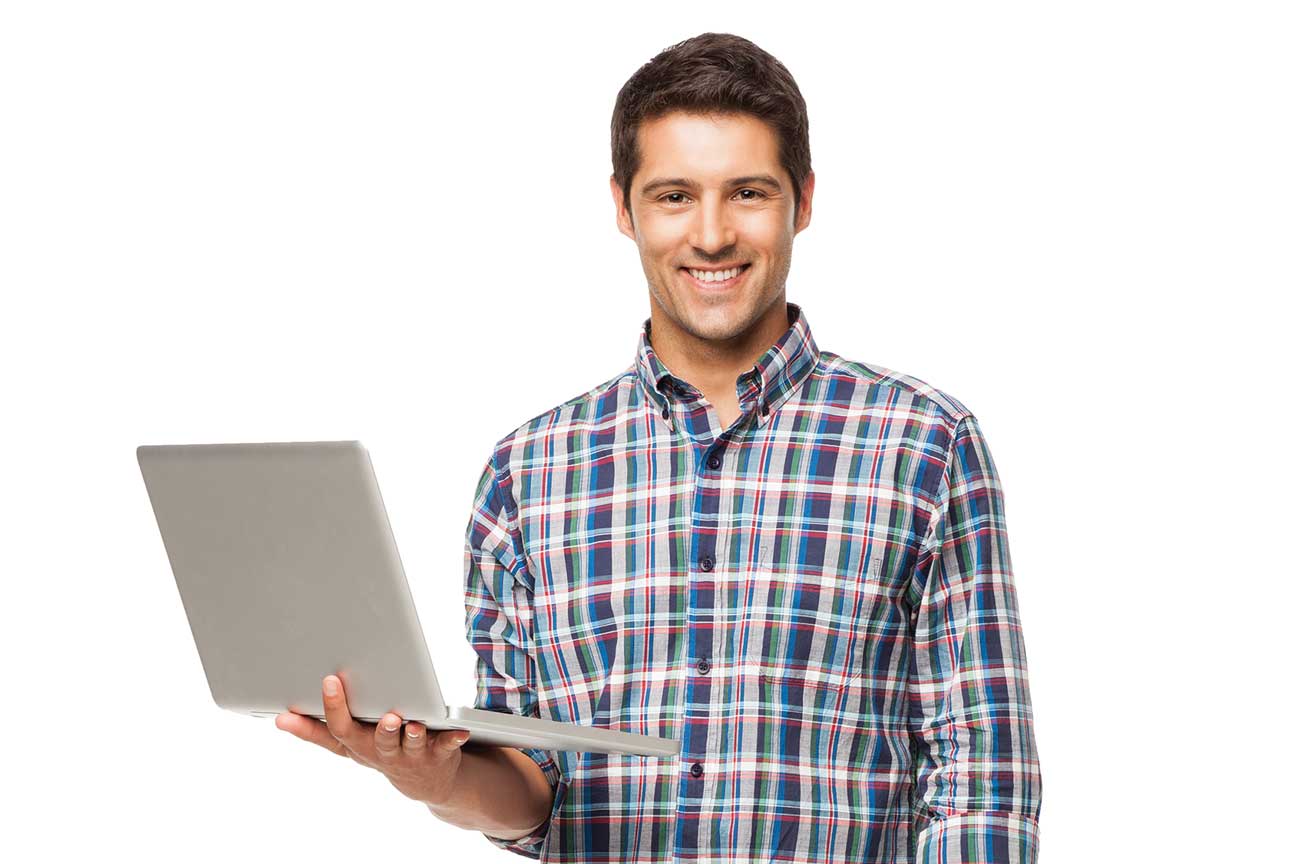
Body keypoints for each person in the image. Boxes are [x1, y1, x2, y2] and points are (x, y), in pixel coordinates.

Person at [277, 31, 1043, 864]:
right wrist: (433, 780)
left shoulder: (922, 444)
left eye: (747, 192)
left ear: (804, 200)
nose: (710, 236)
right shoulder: (527, 475)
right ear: (622, 207)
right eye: (674, 196)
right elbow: (531, 788)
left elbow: (981, 786)